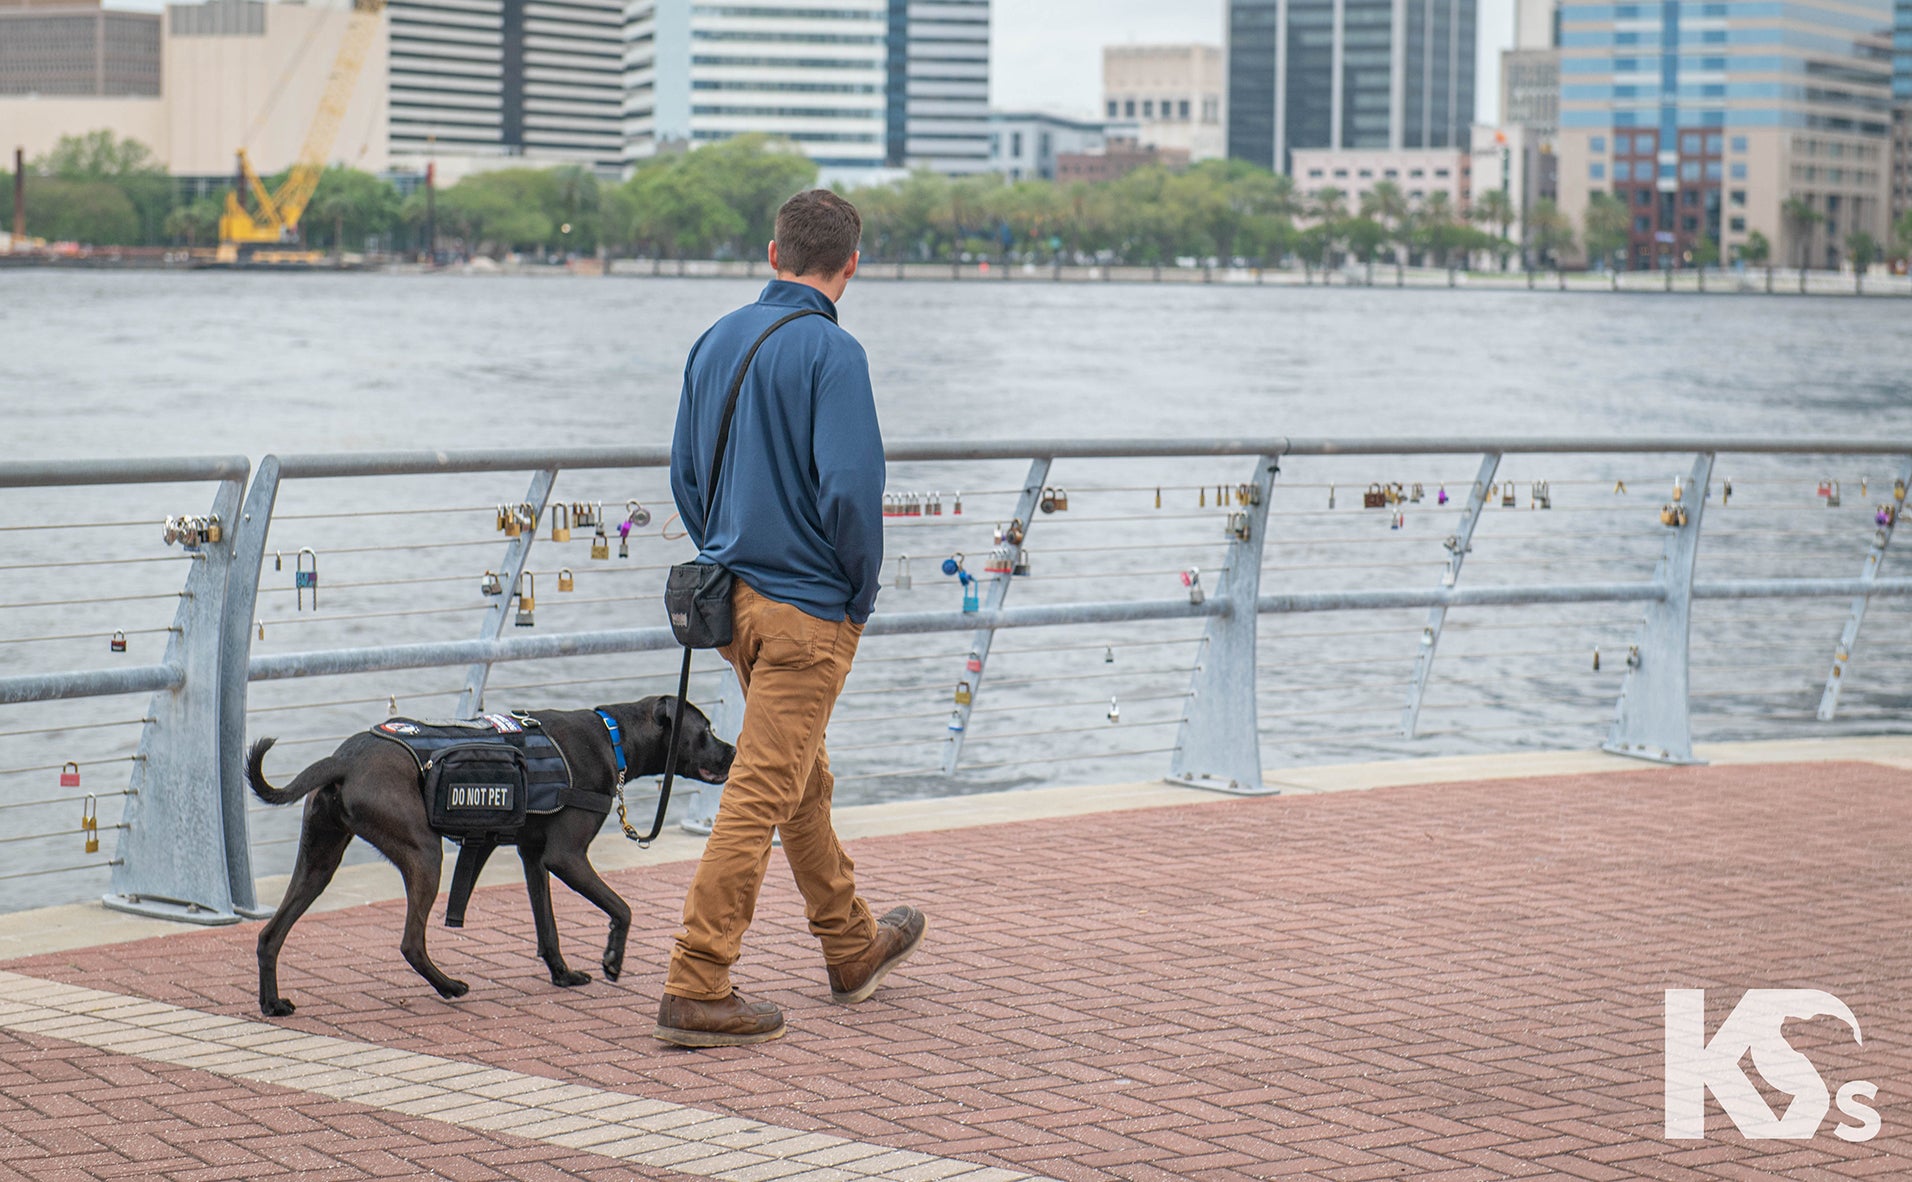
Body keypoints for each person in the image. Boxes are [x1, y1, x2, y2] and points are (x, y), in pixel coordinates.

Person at [657, 189, 926, 1047]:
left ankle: (851, 946)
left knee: (799, 773)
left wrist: (726, 549)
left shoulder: (718, 338)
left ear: (773, 255)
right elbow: (852, 491)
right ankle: (699, 981)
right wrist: (859, 593)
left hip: (732, 602)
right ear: (852, 264)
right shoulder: (834, 354)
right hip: (809, 608)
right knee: (763, 789)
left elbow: (684, 473)